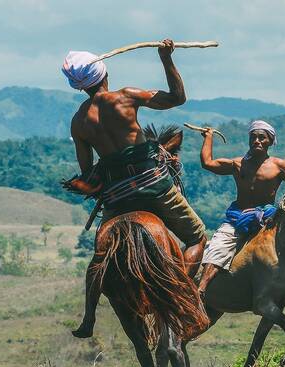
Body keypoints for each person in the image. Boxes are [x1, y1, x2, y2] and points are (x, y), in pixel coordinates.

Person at [62, 39, 207, 338]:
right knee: (197, 236)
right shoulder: (125, 97)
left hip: (117, 197)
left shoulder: (78, 122)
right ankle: (181, 289)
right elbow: (177, 98)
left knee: (99, 259)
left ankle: (89, 317)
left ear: (79, 86)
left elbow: (88, 171)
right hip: (155, 187)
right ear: (103, 73)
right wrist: (166, 58)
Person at [197, 120, 285, 324]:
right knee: (217, 248)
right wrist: (208, 138)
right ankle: (200, 291)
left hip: (267, 221)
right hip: (237, 217)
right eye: (253, 137)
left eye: (261, 137)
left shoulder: (279, 166)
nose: (257, 140)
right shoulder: (237, 164)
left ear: (270, 141)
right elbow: (208, 163)